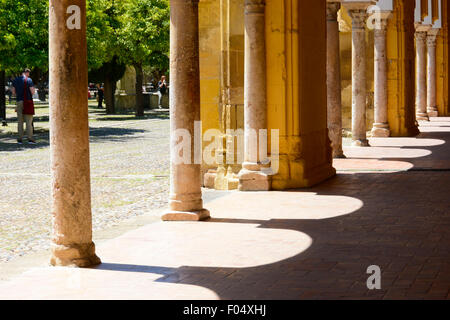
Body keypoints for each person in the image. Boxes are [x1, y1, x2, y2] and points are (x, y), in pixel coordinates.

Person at [12, 68, 36, 144]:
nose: (29, 74)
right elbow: (32, 91)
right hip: (27, 102)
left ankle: (20, 139)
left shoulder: (15, 80)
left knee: (20, 121)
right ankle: (30, 139)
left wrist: (19, 95)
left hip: (19, 101)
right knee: (29, 122)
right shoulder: (29, 80)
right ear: (27, 73)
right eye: (28, 73)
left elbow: (13, 92)